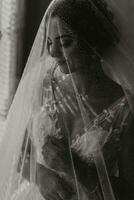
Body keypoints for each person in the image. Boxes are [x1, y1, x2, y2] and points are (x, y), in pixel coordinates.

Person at [0, 0, 134, 200]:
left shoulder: (124, 108)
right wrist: (41, 175)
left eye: (65, 42)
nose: (53, 53)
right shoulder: (46, 84)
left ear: (92, 42)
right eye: (50, 42)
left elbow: (128, 193)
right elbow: (21, 153)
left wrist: (75, 168)